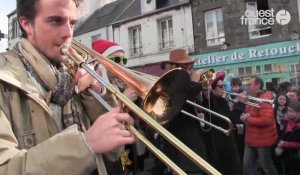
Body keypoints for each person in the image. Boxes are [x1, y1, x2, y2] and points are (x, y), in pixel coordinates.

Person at [0, 0, 135, 174]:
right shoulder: (5, 79)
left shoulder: (75, 75)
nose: (68, 33)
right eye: (56, 21)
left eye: (72, 23)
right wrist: (85, 145)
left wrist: (97, 95)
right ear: (27, 25)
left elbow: (115, 153)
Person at [92, 39, 142, 175]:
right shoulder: (95, 88)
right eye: (116, 59)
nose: (122, 64)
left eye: (124, 60)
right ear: (101, 62)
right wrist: (124, 100)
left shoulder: (119, 86)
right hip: (109, 156)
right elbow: (101, 117)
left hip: (126, 149)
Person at [160, 48, 208, 175]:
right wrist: (194, 82)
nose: (189, 70)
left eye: (190, 66)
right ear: (174, 67)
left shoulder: (185, 85)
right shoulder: (169, 85)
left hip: (193, 147)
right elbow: (180, 102)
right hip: (181, 151)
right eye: (185, 67)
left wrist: (206, 95)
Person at [202, 71, 242, 175]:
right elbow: (226, 119)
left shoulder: (221, 100)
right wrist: (239, 105)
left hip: (228, 142)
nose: (223, 88)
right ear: (213, 88)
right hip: (220, 144)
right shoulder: (210, 102)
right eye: (220, 86)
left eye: (224, 85)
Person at [238, 76, 278, 175]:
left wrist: (248, 119)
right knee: (247, 166)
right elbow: (250, 114)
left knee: (266, 166)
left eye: (249, 84)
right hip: (250, 138)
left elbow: (267, 120)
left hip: (263, 139)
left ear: (258, 85)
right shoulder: (251, 98)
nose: (247, 87)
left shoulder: (265, 99)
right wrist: (245, 115)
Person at [274, 101, 300, 175]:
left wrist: (285, 144)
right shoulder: (286, 121)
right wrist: (280, 143)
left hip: (296, 157)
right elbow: (282, 134)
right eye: (288, 111)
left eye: (291, 111)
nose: (288, 113)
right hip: (287, 156)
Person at [228, 77, 245, 162]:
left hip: (240, 122)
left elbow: (242, 108)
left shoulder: (242, 95)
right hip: (233, 122)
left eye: (236, 86)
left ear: (240, 86)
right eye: (233, 86)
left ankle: (241, 160)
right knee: (235, 140)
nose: (234, 88)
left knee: (240, 141)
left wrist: (234, 105)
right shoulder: (230, 95)